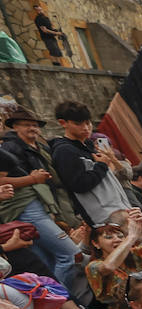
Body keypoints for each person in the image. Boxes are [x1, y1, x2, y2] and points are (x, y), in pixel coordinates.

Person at [0, 107, 82, 290]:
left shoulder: (37, 147)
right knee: (69, 255)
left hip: (38, 205)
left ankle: (56, 305)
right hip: (25, 207)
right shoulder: (10, 147)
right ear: (15, 127)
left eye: (35, 125)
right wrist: (31, 179)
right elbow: (1, 180)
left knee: (45, 262)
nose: (33, 129)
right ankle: (62, 301)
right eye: (27, 125)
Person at [49, 100, 130, 227]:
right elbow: (79, 184)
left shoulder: (89, 145)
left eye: (88, 123)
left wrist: (109, 160)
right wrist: (102, 165)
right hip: (103, 217)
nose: (86, 128)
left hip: (121, 207)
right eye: (78, 124)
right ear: (63, 123)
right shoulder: (64, 150)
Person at [83, 212, 142, 309]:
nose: (117, 239)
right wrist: (131, 237)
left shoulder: (133, 254)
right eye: (109, 237)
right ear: (96, 244)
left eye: (120, 236)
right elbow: (108, 267)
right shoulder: (93, 266)